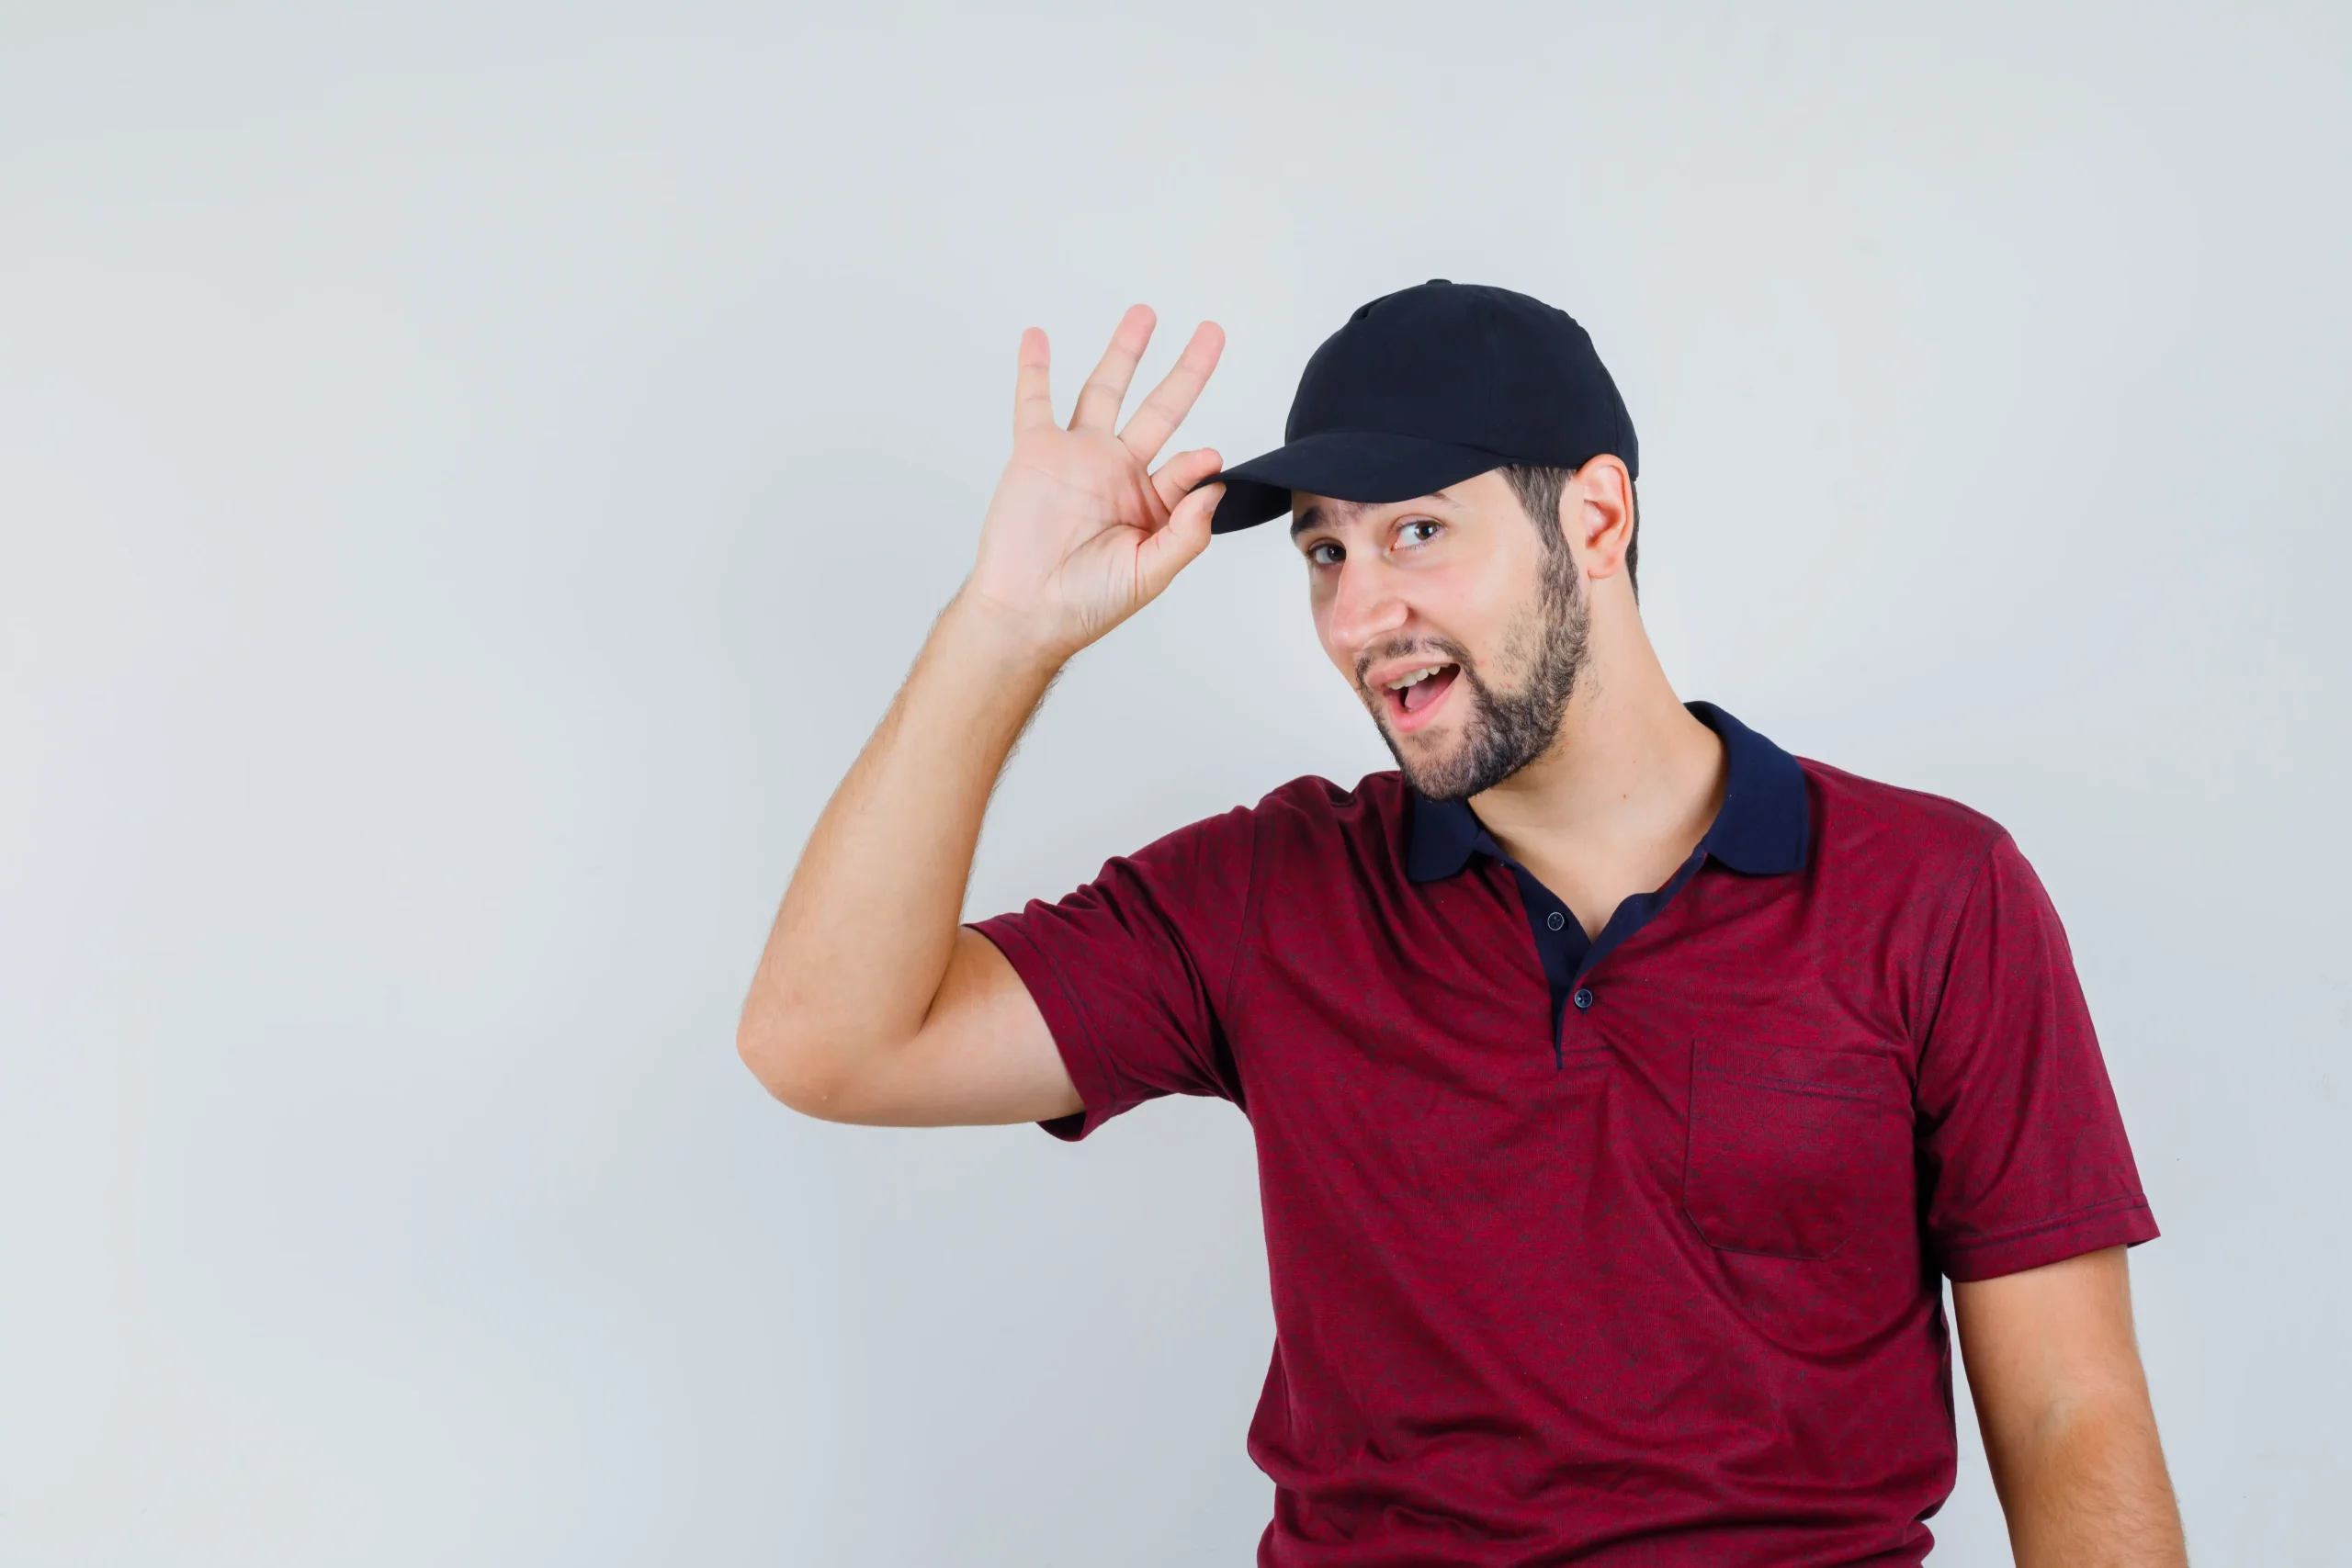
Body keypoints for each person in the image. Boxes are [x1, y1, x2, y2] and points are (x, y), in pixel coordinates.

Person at [737, 282, 2188, 1567]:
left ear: (1598, 518)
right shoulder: (1270, 894)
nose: (1365, 614)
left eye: (1419, 532)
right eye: (1325, 555)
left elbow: (2071, 1410)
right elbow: (830, 1042)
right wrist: (1005, 626)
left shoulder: (1933, 893)